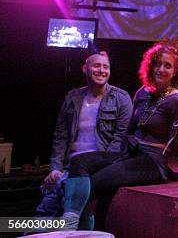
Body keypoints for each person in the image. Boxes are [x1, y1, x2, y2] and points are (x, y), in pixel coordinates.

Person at [59, 39, 178, 230]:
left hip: (152, 161)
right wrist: (113, 155)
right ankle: (69, 224)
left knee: (95, 182)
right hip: (130, 151)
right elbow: (130, 128)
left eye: (167, 66)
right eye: (157, 64)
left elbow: (177, 142)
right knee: (79, 162)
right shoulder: (143, 93)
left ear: (175, 72)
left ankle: (73, 229)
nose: (161, 69)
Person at [38, 52, 132, 217]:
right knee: (46, 207)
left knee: (58, 201)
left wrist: (102, 169)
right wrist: (55, 168)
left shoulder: (121, 98)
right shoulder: (73, 97)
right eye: (97, 65)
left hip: (100, 166)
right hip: (70, 165)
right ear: (85, 68)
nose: (101, 70)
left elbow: (120, 139)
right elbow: (61, 137)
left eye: (106, 67)